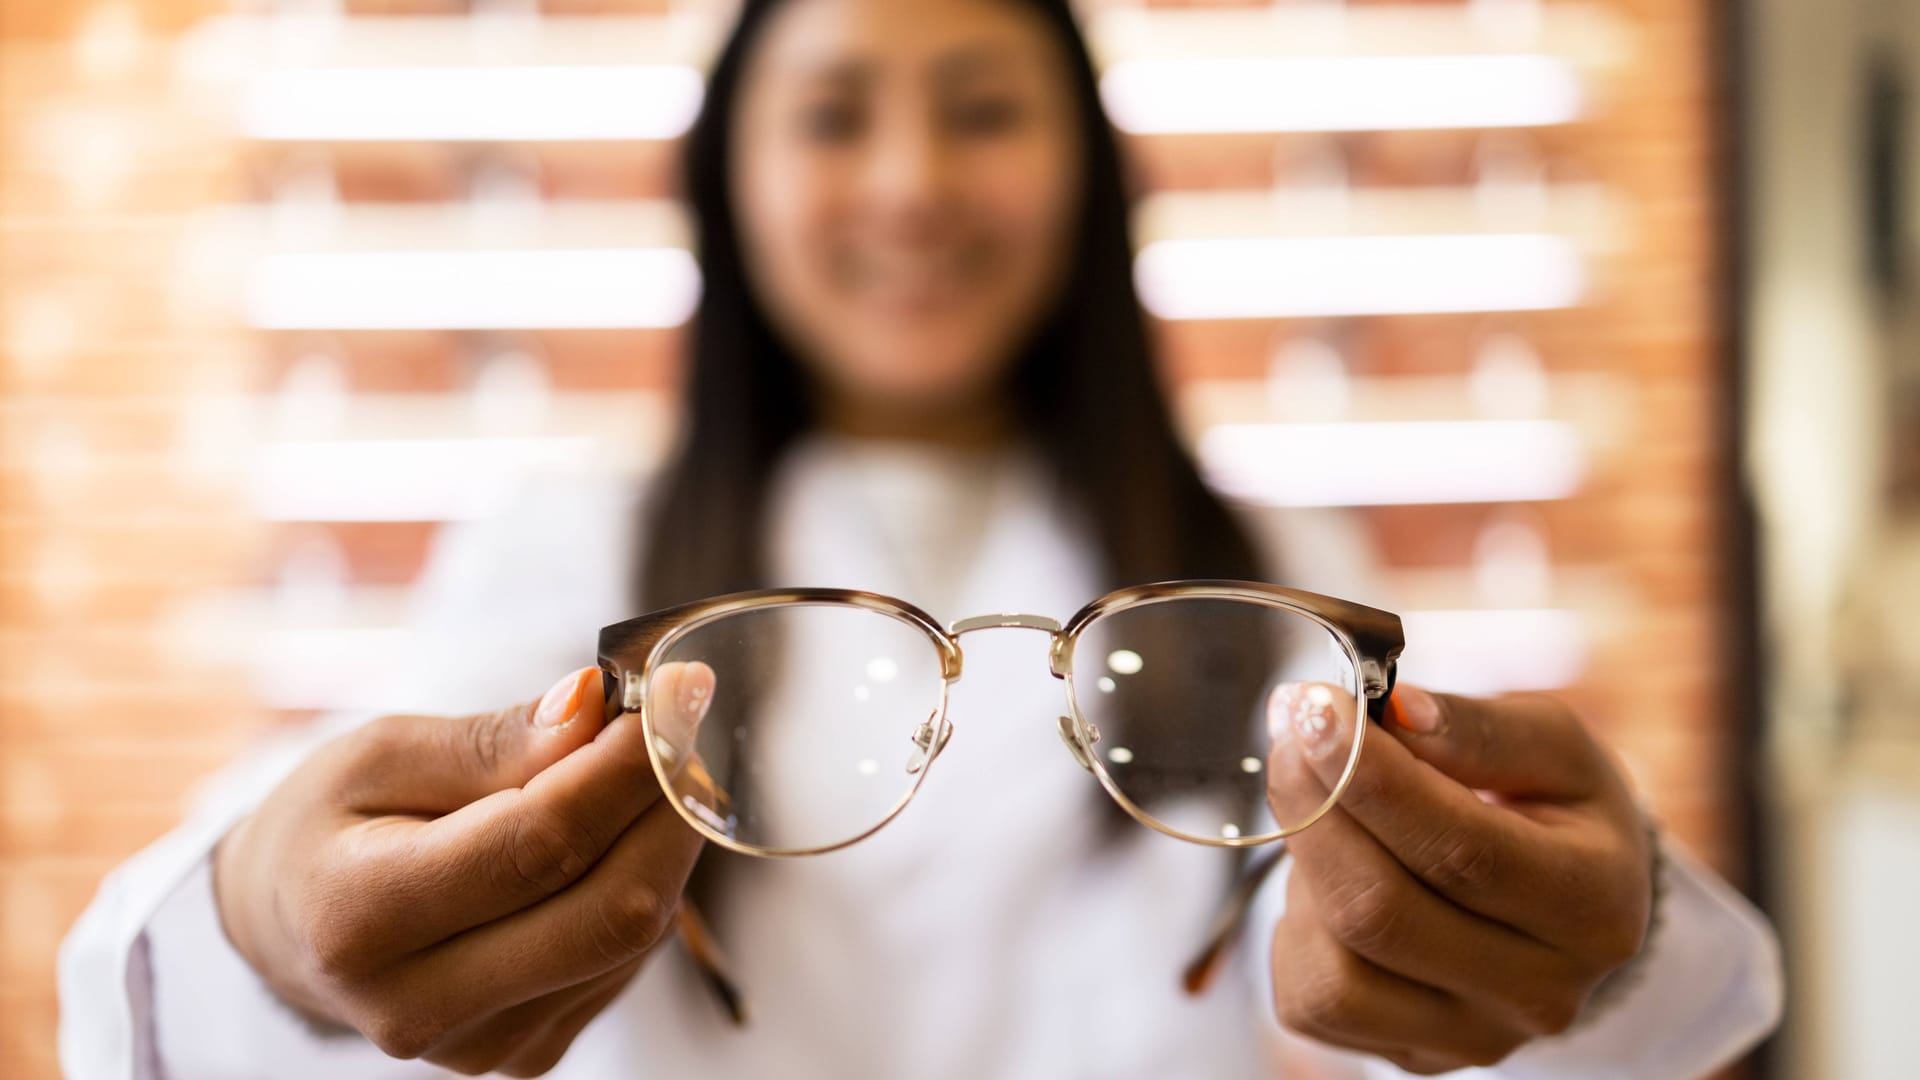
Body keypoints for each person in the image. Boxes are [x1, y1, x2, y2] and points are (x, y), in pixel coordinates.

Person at [59, 0, 1782, 1076]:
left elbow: (1592, 978)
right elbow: (236, 932)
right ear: (728, 177)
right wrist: (275, 918)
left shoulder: (1260, 556)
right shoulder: (570, 549)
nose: (909, 185)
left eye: (980, 107)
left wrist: (1596, 931)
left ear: (1089, 173)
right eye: (832, 115)